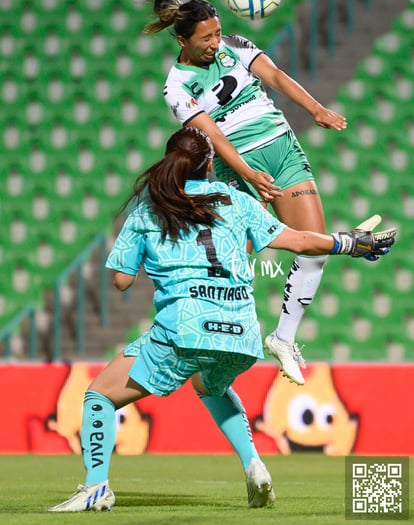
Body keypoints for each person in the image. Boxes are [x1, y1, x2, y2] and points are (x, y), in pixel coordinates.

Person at [47, 127, 395, 513]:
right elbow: (299, 241)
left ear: (169, 163)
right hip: (242, 335)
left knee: (99, 397)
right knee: (210, 386)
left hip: (185, 330)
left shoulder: (149, 208)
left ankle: (96, 487)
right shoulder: (236, 200)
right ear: (210, 164)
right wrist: (349, 242)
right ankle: (255, 467)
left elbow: (122, 282)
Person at [144, 0, 348, 386]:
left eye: (218, 33)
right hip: (238, 165)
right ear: (182, 40)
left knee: (317, 247)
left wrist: (316, 109)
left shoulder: (235, 44)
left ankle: (283, 338)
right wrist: (248, 175)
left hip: (283, 148)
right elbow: (213, 134)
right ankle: (199, 339)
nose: (215, 43)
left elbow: (275, 76)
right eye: (205, 38)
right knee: (233, 259)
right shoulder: (176, 86)